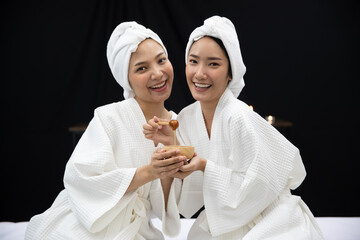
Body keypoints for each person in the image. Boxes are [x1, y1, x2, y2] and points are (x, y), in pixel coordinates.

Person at [144, 16, 324, 239]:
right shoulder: (187, 118)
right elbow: (189, 196)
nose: (200, 73)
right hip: (224, 220)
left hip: (269, 218)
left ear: (231, 72)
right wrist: (170, 144)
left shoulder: (239, 117)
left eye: (213, 64)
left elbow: (260, 187)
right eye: (193, 61)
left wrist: (205, 167)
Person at [25, 21, 185, 240]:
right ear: (126, 78)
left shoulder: (177, 124)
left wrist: (170, 151)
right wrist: (149, 172)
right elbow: (80, 177)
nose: (157, 73)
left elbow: (168, 207)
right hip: (89, 225)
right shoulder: (109, 117)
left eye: (161, 60)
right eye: (142, 68)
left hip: (138, 229)